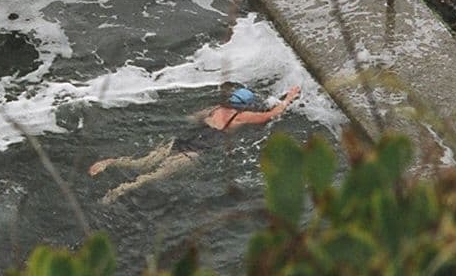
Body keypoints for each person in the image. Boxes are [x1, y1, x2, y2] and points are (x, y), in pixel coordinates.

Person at [88, 82, 302, 204]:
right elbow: (272, 114)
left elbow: (191, 118)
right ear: (245, 105)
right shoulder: (240, 116)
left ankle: (111, 161)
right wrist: (289, 97)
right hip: (193, 153)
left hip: (181, 141)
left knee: (142, 162)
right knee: (152, 176)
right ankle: (119, 191)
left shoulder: (213, 109)